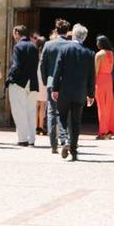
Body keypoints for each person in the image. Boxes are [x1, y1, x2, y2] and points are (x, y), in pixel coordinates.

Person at [52, 23, 95, 161]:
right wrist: (91, 94)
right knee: (76, 121)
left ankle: (64, 141)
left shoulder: (64, 49)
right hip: (80, 92)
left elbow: (57, 71)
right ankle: (73, 149)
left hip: (65, 90)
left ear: (74, 35)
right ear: (85, 37)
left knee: (62, 116)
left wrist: (55, 88)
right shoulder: (89, 53)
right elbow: (91, 76)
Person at [40, 19, 73, 153]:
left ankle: (53, 144)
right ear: (67, 31)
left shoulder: (48, 45)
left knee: (51, 112)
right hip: (66, 83)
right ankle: (65, 139)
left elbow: (43, 65)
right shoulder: (71, 45)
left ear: (56, 30)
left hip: (51, 82)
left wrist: (45, 80)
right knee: (66, 112)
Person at [6, 25, 40, 147]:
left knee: (19, 111)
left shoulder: (18, 46)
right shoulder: (34, 46)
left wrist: (10, 78)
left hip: (20, 82)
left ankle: (23, 139)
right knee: (31, 111)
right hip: (33, 82)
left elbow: (16, 66)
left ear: (16, 33)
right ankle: (31, 139)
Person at [94, 35, 114, 140]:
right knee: (109, 105)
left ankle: (103, 131)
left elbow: (96, 71)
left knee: (101, 106)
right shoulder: (111, 53)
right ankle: (110, 129)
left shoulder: (99, 54)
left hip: (100, 80)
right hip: (108, 79)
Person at [32, 30, 47, 142]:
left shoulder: (33, 52)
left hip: (35, 78)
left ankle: (34, 126)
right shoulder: (46, 53)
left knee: (35, 103)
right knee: (42, 104)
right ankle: (41, 126)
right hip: (43, 78)